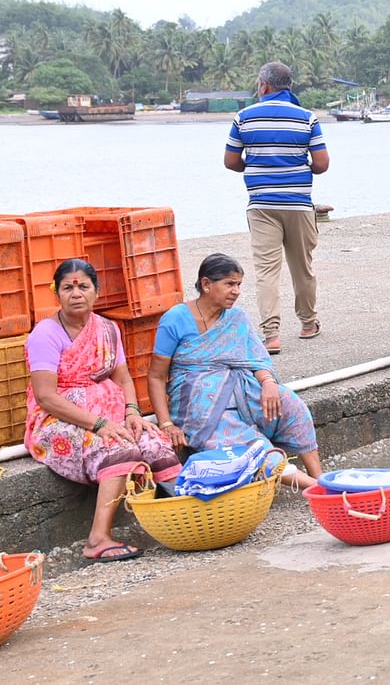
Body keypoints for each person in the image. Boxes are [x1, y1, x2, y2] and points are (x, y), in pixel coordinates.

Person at [25, 260, 181, 562]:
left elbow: (122, 378)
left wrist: (133, 413)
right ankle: (97, 539)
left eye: (83, 286)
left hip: (109, 414)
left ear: (96, 292)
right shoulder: (45, 333)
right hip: (58, 419)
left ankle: (181, 516)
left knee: (153, 441)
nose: (76, 293)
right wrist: (98, 424)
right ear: (56, 293)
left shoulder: (108, 329)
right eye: (67, 287)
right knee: (119, 448)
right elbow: (45, 396)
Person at [148, 254, 322, 489]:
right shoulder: (175, 319)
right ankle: (319, 489)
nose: (237, 291)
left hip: (241, 391)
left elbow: (255, 359)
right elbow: (156, 376)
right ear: (207, 284)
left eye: (239, 284)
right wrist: (166, 424)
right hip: (199, 404)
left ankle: (319, 476)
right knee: (252, 449)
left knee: (289, 402)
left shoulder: (237, 318)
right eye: (229, 284)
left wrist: (269, 382)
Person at [225, 61, 328, 355]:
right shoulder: (307, 118)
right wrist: (295, 167)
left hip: (261, 205)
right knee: (302, 267)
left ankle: (271, 336)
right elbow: (321, 164)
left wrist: (258, 166)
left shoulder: (243, 118)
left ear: (264, 86)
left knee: (266, 271)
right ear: (289, 87)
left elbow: (231, 161)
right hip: (298, 204)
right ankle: (308, 324)